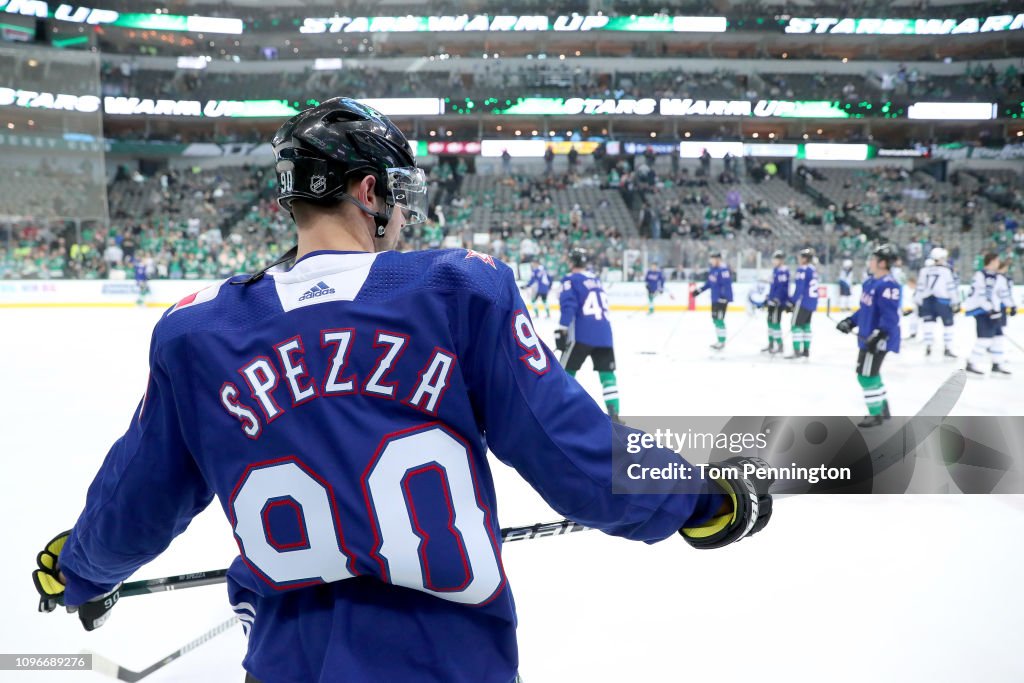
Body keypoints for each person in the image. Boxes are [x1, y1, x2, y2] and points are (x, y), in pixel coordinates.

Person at [31, 99, 774, 683]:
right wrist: (697, 499)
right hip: (450, 665)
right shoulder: (455, 291)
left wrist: (80, 569)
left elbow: (135, 499)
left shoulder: (197, 335)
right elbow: (574, 454)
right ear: (368, 191)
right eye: (399, 195)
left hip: (286, 668)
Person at [836, 244, 902, 428]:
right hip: (867, 336)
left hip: (878, 339)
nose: (870, 262)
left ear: (882, 263)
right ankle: (883, 409)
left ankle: (875, 414)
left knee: (866, 376)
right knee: (871, 373)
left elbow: (890, 316)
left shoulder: (888, 285)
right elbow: (865, 310)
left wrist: (879, 335)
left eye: (873, 259)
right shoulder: (870, 282)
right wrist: (850, 321)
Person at [556, 248, 621, 419]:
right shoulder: (597, 281)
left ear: (571, 262)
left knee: (565, 372)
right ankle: (614, 413)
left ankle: (562, 412)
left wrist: (562, 329)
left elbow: (569, 306)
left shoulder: (570, 280)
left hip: (582, 335)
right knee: (607, 375)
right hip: (605, 335)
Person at [963, 253, 1010, 376]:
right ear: (992, 261)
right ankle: (971, 364)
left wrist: (1011, 305)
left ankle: (997, 364)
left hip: (993, 312)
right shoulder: (981, 275)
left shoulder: (997, 277)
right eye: (997, 260)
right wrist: (990, 310)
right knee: (985, 339)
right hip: (983, 312)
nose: (999, 263)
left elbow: (1002, 294)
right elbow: (980, 296)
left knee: (998, 338)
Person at [915, 248, 959, 358]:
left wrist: (918, 301)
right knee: (948, 325)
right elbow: (951, 287)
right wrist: (956, 301)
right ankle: (948, 348)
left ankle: (928, 347)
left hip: (927, 301)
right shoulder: (946, 271)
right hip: (942, 301)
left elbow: (920, 287)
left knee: (928, 324)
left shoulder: (924, 270)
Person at [695, 250, 733, 351]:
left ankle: (722, 341)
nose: (711, 261)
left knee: (720, 319)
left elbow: (727, 285)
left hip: (721, 300)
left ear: (718, 259)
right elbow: (709, 283)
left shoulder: (723, 270)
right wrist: (699, 291)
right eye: (711, 259)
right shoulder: (713, 269)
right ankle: (719, 340)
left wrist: (725, 297)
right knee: (715, 319)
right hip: (714, 298)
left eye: (713, 259)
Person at [787, 248, 819, 360]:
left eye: (801, 257)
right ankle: (806, 351)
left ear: (805, 259)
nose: (799, 259)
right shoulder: (813, 269)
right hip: (812, 302)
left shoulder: (802, 270)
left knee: (796, 325)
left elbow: (799, 288)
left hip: (803, 302)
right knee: (806, 326)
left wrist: (792, 301)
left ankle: (796, 351)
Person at [763, 250, 790, 355]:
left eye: (777, 259)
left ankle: (779, 345)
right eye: (774, 259)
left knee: (775, 323)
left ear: (781, 260)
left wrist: (777, 299)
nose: (774, 261)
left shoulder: (783, 271)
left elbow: (782, 288)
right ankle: (771, 343)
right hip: (772, 301)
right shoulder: (776, 270)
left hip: (778, 303)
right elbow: (773, 287)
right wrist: (768, 298)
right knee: (769, 322)